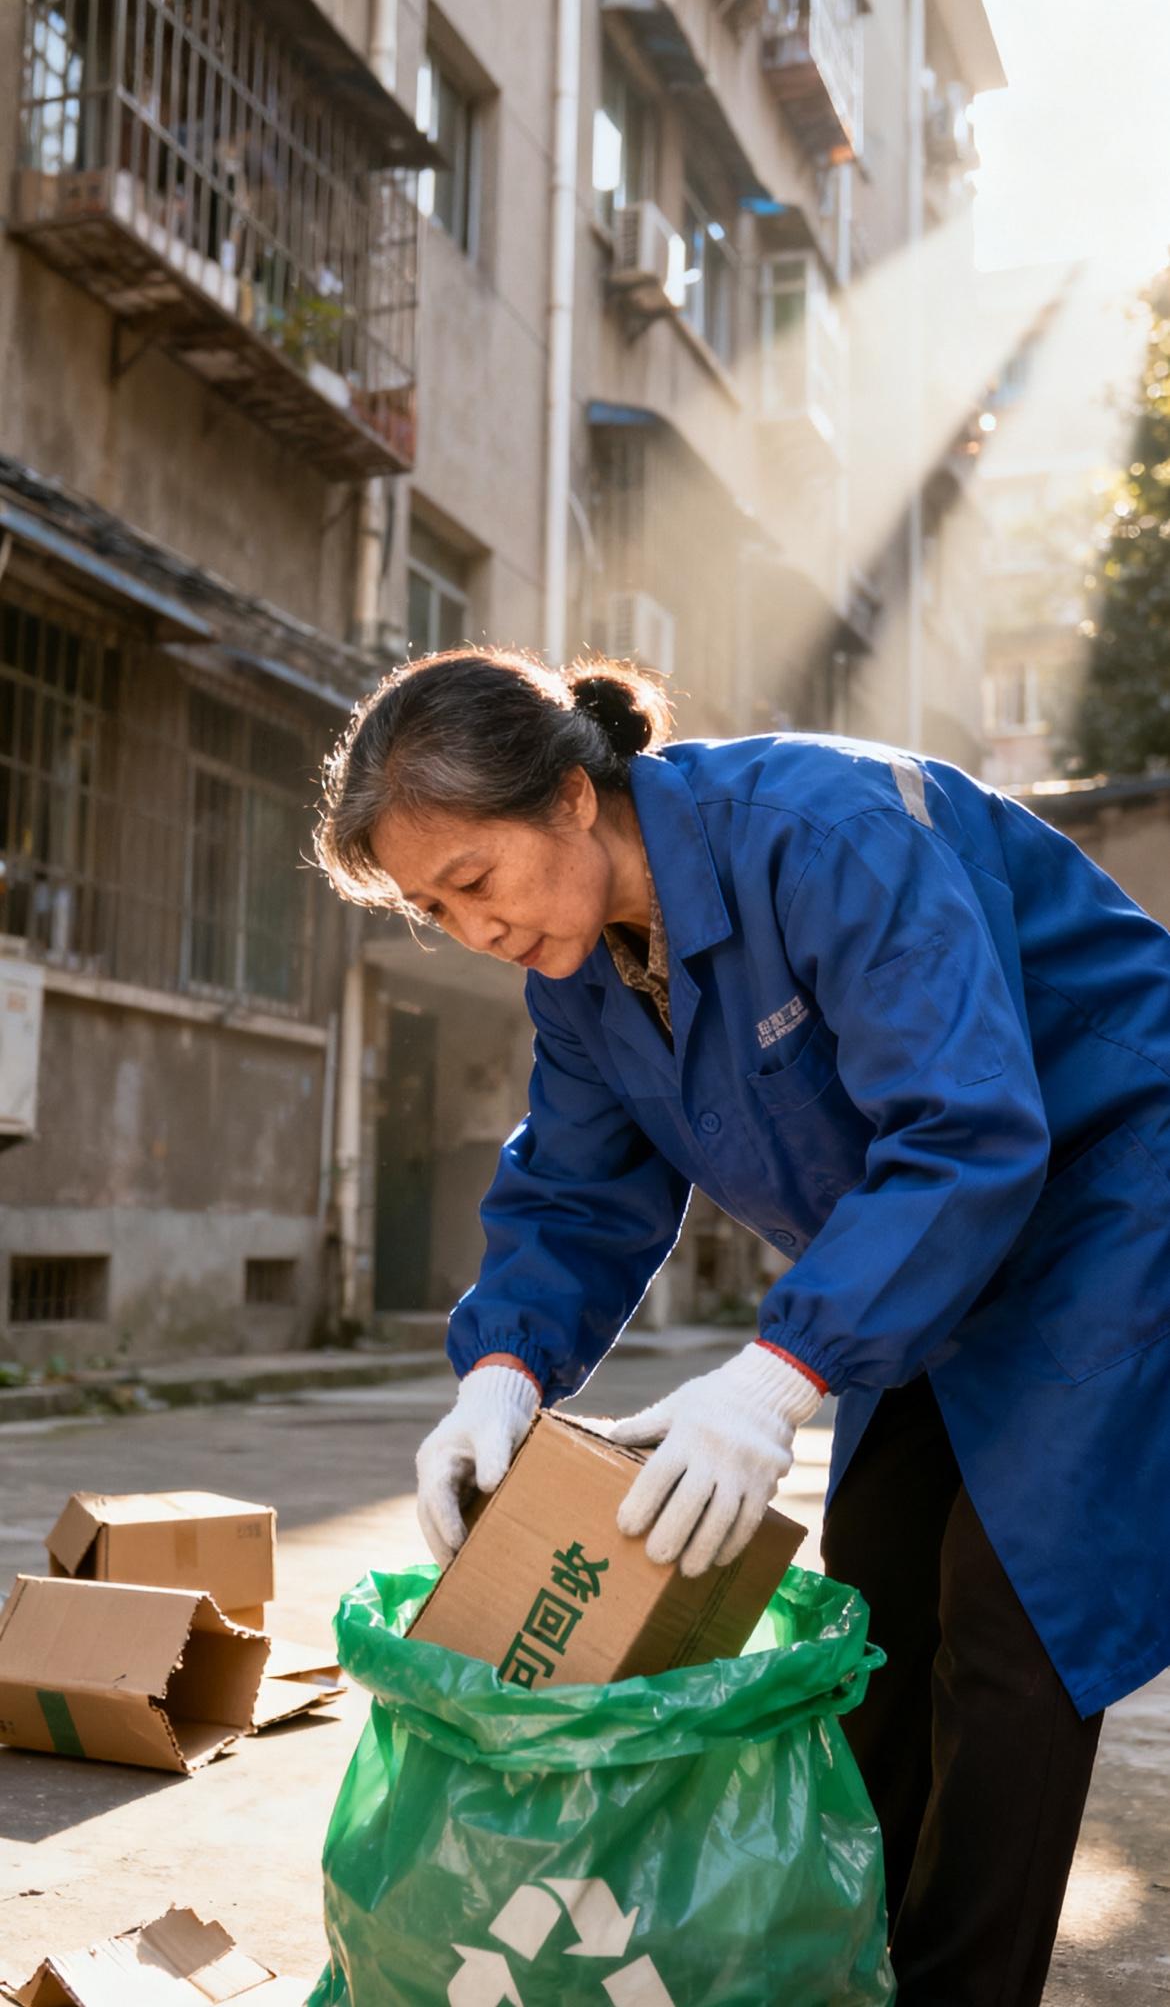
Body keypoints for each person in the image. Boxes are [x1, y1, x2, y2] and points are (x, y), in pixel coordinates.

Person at [315, 645, 1170, 2007]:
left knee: (1014, 1608)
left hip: (1110, 1190)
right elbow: (577, 1188)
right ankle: (858, 1963)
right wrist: (497, 1371)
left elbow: (965, 1127)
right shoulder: (581, 969)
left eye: (471, 881)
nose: (470, 930)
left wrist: (775, 1376)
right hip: (926, 1240)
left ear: (572, 802)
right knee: (874, 1596)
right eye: (430, 909)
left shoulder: (822, 834)